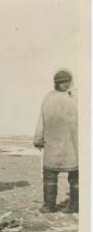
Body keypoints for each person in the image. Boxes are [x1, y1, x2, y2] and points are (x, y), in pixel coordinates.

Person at [34, 70, 78, 213]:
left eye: (67, 81)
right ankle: (49, 205)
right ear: (56, 83)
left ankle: (75, 204)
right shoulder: (49, 98)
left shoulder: (77, 96)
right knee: (49, 174)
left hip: (73, 143)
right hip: (53, 142)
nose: (65, 84)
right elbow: (41, 120)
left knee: (76, 175)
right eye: (62, 82)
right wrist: (39, 139)